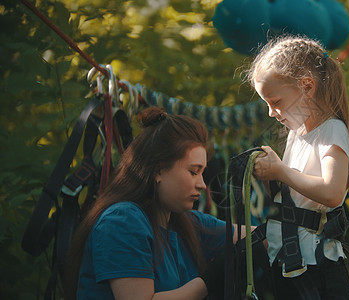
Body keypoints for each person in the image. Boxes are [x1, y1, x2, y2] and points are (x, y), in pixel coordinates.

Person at [64, 107, 237, 300]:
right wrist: (208, 280)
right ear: (158, 170)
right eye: (193, 172)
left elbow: (264, 235)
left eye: (202, 173)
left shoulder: (187, 223)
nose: (203, 184)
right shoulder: (122, 222)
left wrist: (274, 177)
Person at [246, 34, 349, 299]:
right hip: (292, 263)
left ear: (307, 87)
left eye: (275, 102)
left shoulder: (331, 130)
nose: (271, 112)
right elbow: (297, 195)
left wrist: (281, 171)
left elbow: (332, 192)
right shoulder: (297, 134)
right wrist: (270, 175)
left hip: (319, 270)